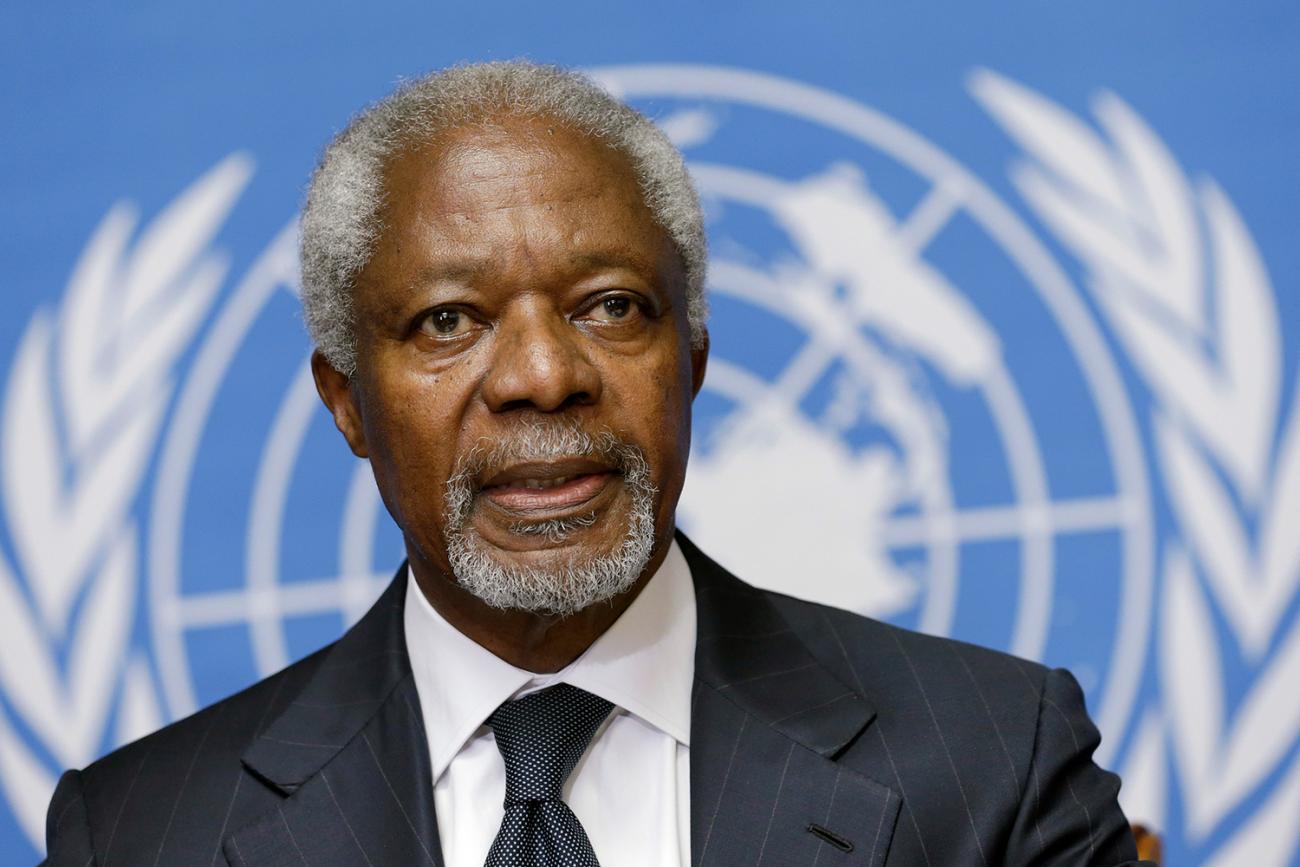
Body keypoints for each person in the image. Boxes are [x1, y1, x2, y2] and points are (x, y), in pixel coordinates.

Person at [42, 61, 1149, 866]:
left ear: (693, 360)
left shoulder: (994, 763)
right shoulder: (141, 831)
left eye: (610, 306)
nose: (539, 375)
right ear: (345, 404)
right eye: (445, 321)